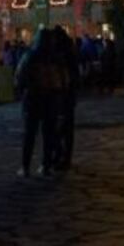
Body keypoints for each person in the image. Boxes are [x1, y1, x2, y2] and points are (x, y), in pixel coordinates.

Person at [15, 28, 67, 177]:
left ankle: (25, 167)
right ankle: (46, 165)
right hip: (51, 98)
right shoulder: (56, 57)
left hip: (33, 98)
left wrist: (22, 90)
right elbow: (63, 80)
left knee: (30, 134)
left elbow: (19, 76)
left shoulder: (30, 56)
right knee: (49, 134)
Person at [52, 26, 80, 170]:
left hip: (61, 94)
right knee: (67, 127)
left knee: (59, 127)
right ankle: (65, 156)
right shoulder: (71, 52)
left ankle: (60, 155)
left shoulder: (60, 55)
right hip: (68, 94)